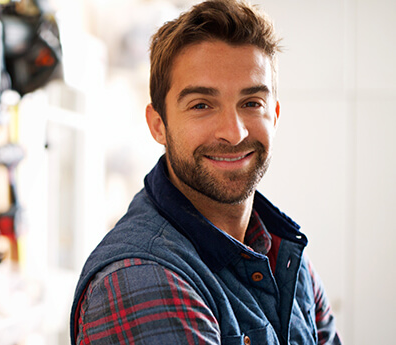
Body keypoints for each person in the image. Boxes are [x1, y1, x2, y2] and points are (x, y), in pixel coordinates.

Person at [70, 0, 342, 344]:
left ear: (274, 114)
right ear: (158, 125)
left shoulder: (283, 253)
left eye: (251, 103)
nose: (234, 132)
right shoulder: (144, 280)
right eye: (201, 105)